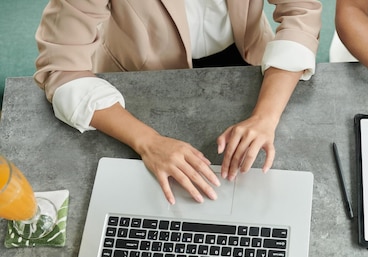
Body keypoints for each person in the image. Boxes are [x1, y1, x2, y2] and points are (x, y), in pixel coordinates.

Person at [34, 0, 322, 204]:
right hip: (142, 81)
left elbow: (302, 13)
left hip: (247, 60)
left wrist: (265, 117)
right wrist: (149, 142)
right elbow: (61, 68)